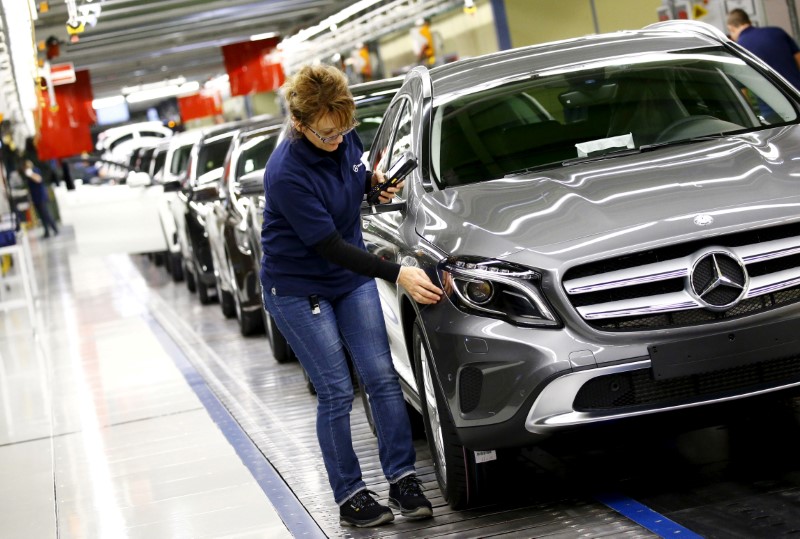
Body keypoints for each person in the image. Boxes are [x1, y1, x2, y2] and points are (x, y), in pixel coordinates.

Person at [260, 64, 443, 528]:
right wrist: (396, 273)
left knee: (382, 377)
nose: (338, 140)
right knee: (337, 391)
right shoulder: (285, 172)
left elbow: (356, 180)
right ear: (299, 125)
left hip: (348, 277)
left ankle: (403, 480)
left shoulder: (346, 138)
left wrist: (375, 188)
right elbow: (329, 246)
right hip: (299, 287)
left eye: (344, 129)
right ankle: (351, 496)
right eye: (326, 134)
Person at [727, 9, 800, 90]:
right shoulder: (777, 31)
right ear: (749, 22)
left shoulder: (738, 48)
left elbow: (742, 86)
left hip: (773, 101)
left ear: (731, 28)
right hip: (797, 91)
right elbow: (798, 58)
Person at [22, 158, 59, 238]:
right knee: (41, 216)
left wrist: (31, 174)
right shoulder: (27, 174)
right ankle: (47, 232)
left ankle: (55, 229)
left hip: (41, 196)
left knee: (46, 214)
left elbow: (38, 179)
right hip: (35, 197)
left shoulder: (35, 171)